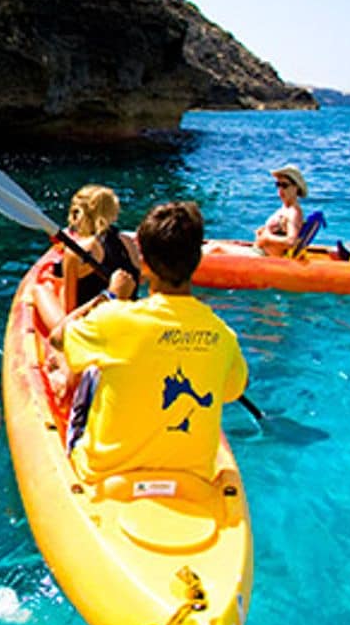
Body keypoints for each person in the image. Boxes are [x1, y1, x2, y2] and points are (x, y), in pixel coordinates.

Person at [45, 201, 249, 480]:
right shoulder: (223, 334)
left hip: (105, 470)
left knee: (94, 369)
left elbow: (57, 338)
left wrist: (111, 295)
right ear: (197, 259)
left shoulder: (113, 319)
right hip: (192, 475)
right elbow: (234, 390)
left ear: (146, 264)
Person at [55, 185, 142, 313]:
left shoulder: (75, 254)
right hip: (127, 318)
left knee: (40, 291)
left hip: (93, 325)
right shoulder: (129, 243)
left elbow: (70, 310)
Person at [254, 164, 309, 256]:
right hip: (259, 252)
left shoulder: (293, 212)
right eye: (278, 185)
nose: (280, 189)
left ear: (296, 187)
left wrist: (267, 238)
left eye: (284, 185)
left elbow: (291, 241)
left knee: (220, 248)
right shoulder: (285, 209)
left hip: (264, 257)